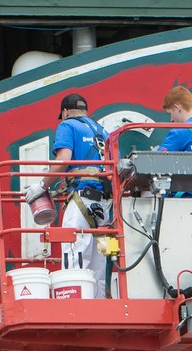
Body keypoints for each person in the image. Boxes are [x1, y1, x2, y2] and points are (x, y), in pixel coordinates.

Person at [51, 91, 112, 297]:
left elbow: (63, 160)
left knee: (75, 256)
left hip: (80, 199)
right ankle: (99, 307)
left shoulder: (67, 125)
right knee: (100, 262)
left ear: (65, 112)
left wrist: (41, 186)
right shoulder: (103, 132)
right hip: (104, 205)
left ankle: (75, 305)